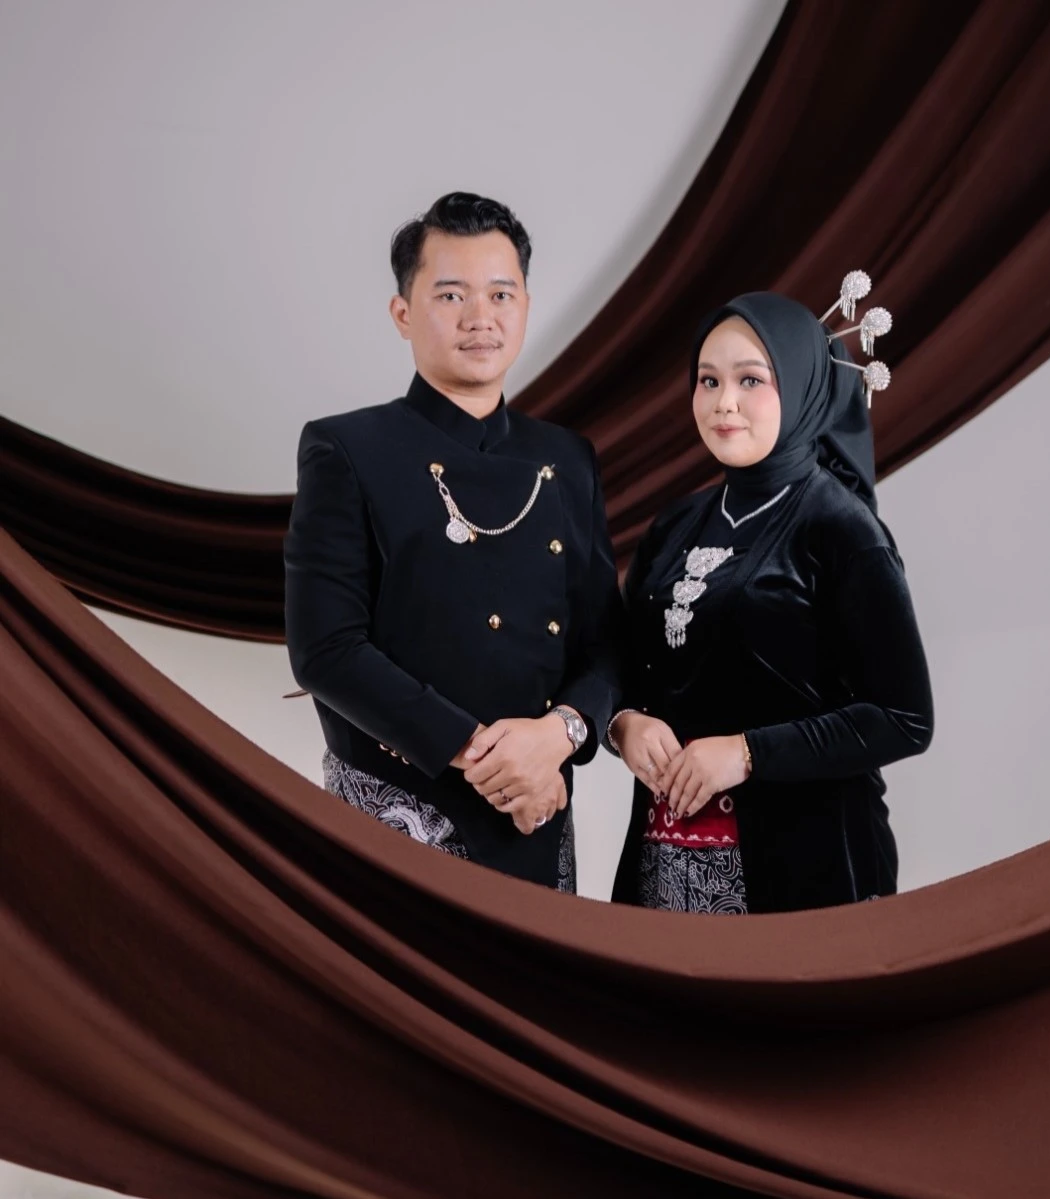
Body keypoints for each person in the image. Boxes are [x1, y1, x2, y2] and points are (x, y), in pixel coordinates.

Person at [284, 192, 620, 890]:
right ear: (402, 313)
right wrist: (484, 756)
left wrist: (556, 735)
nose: (480, 317)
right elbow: (326, 649)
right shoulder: (347, 448)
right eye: (450, 295)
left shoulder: (567, 458)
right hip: (396, 811)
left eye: (501, 293)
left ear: (526, 305)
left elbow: (606, 644)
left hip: (537, 811)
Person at [607, 291, 933, 914]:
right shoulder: (673, 527)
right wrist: (623, 723)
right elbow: (619, 659)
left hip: (807, 870)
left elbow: (905, 718)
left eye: (751, 380)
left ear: (802, 385)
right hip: (664, 871)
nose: (723, 402)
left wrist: (748, 753)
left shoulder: (842, 530)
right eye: (708, 381)